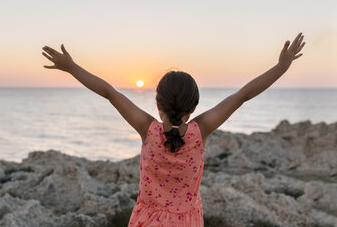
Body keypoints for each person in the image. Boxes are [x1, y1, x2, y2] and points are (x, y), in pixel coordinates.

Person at [41, 32, 305, 226]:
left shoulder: (146, 128)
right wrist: (282, 66)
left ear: (157, 102)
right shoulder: (201, 130)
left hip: (146, 219)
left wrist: (72, 68)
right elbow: (243, 95)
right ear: (193, 107)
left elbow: (109, 92)